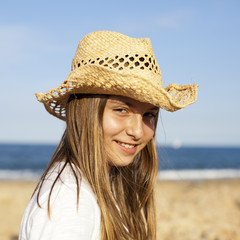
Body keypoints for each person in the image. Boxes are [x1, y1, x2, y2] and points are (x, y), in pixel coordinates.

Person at [19, 31, 198, 240]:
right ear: (84, 112)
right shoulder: (71, 202)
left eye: (149, 114)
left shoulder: (98, 187)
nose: (138, 131)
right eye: (122, 110)